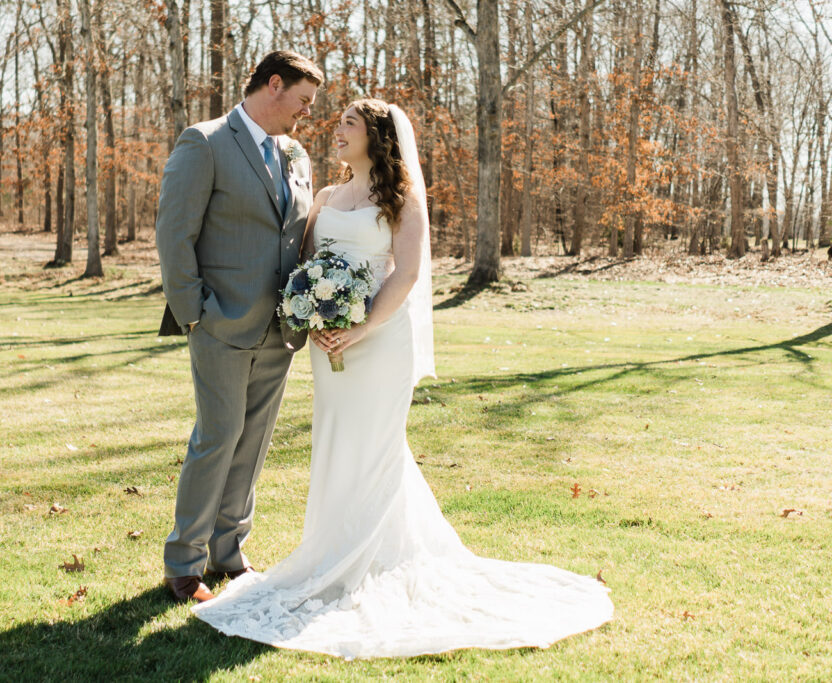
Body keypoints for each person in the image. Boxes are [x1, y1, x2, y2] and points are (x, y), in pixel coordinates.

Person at [192, 99, 614, 658]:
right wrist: (312, 313)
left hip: (379, 342)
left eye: (348, 123)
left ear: (376, 136)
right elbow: (306, 265)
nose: (335, 131)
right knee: (336, 443)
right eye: (338, 122)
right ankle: (329, 553)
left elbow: (408, 274)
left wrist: (359, 327)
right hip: (328, 344)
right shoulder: (323, 198)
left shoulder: (401, 200)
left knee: (376, 448)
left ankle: (374, 559)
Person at [155, 51, 324, 603]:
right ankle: (184, 563)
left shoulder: (296, 155)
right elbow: (174, 233)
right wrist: (194, 313)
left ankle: (228, 552)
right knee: (217, 438)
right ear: (273, 86)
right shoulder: (204, 143)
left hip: (280, 329)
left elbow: (296, 235)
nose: (306, 115)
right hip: (219, 323)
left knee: (251, 443)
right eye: (302, 102)